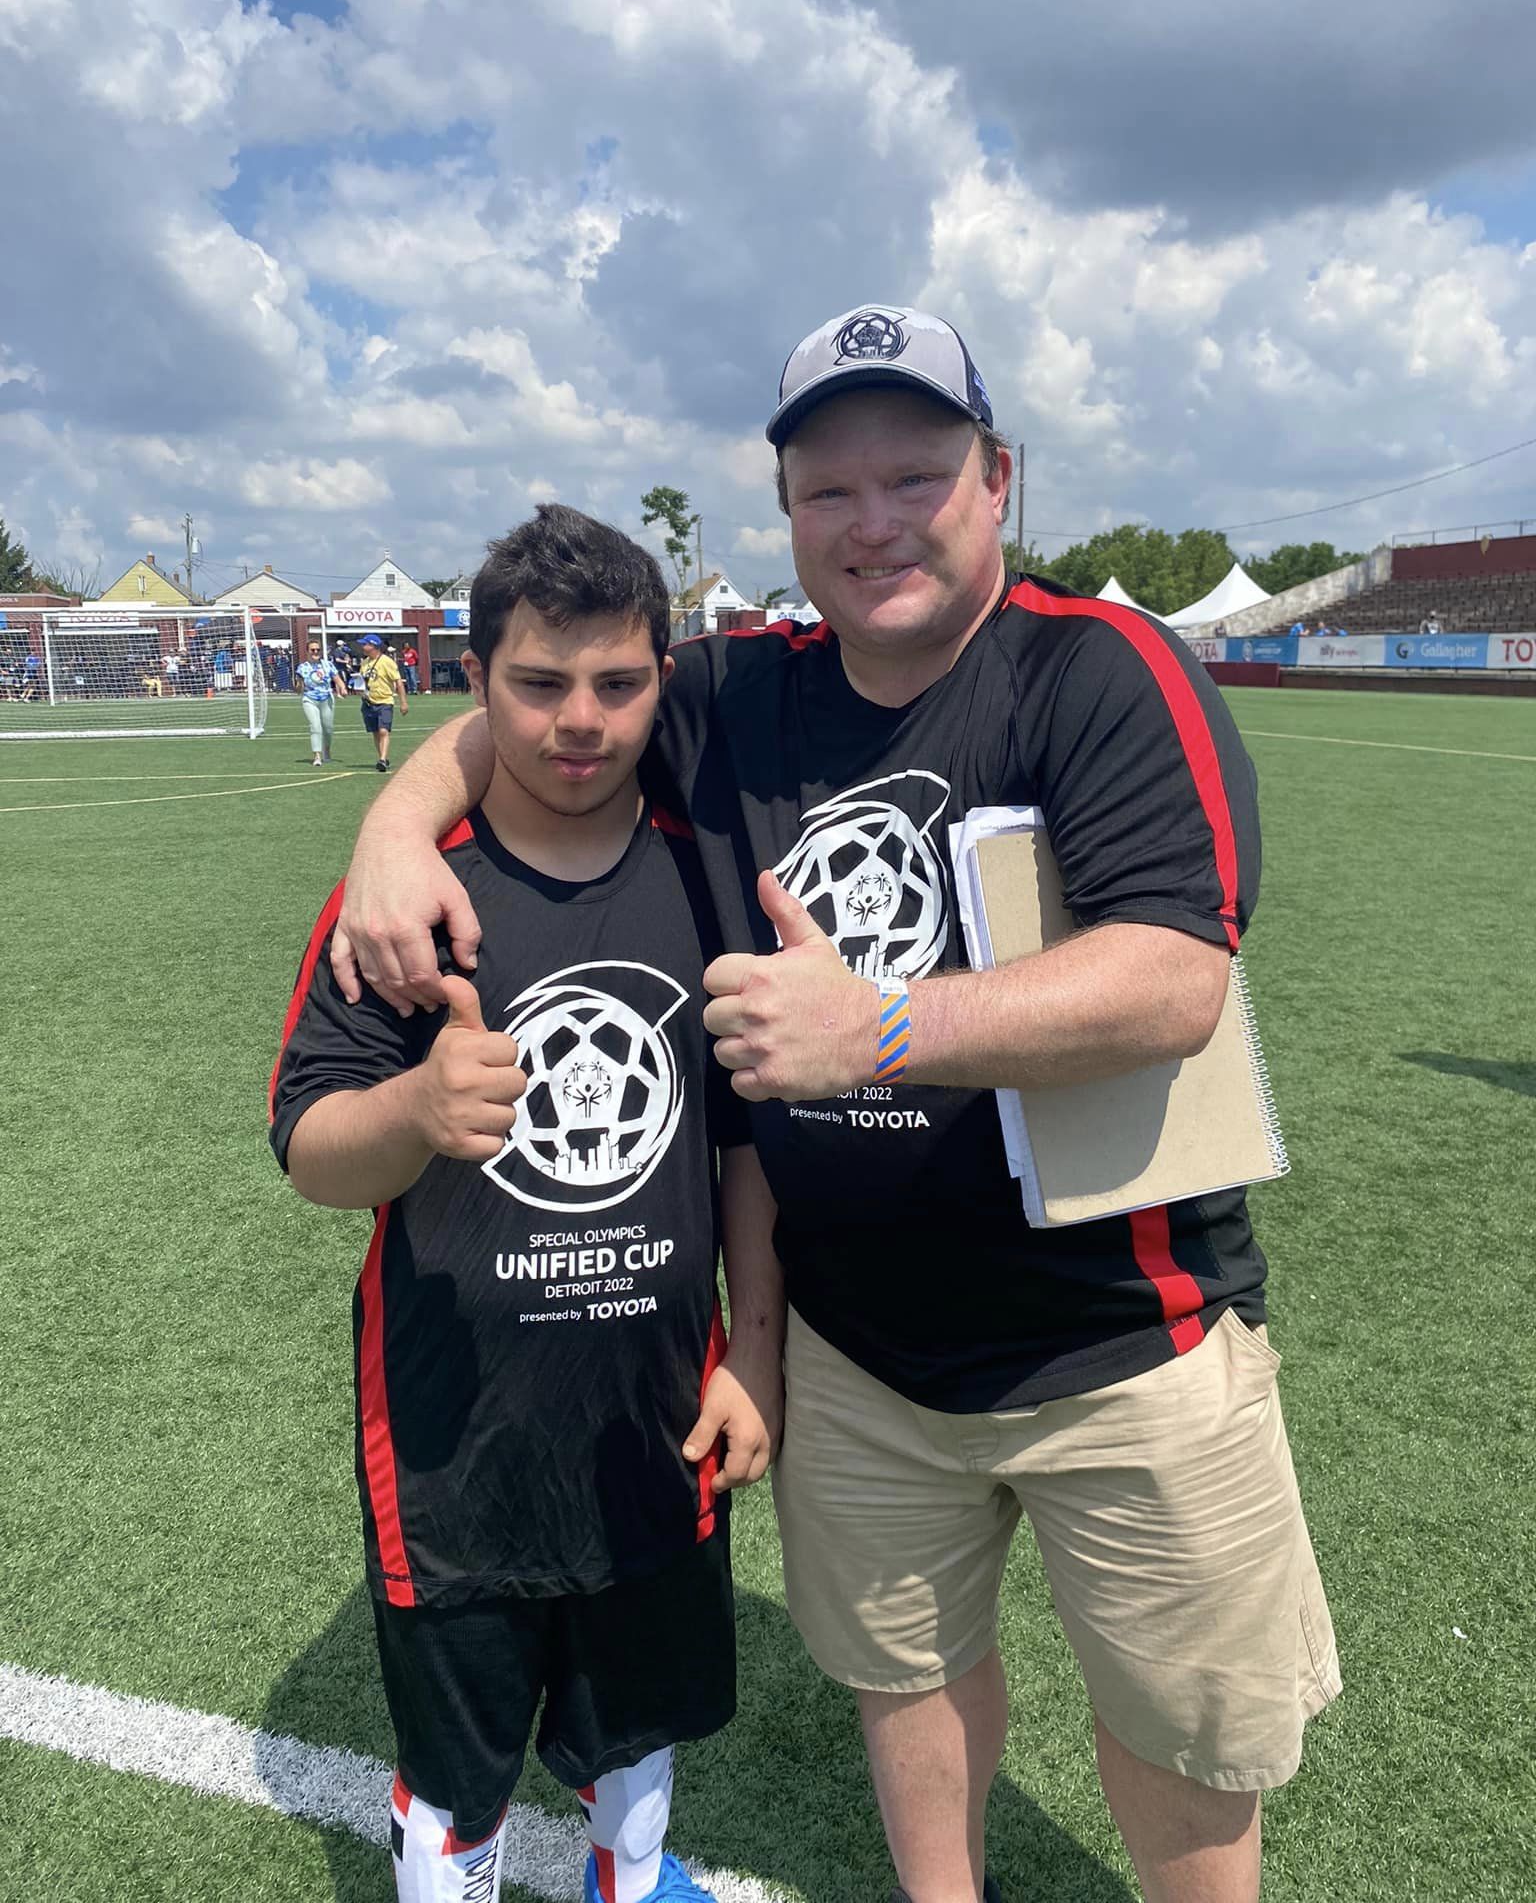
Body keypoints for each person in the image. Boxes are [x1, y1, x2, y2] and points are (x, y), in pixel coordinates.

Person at [330, 304, 1339, 1903]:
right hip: (862, 1352)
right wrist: (396, 826)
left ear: (996, 479)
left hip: (1120, 1337)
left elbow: (1174, 977)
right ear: (788, 512)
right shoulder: (742, 694)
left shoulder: (1096, 667)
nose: (875, 524)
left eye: (916, 477)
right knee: (910, 1680)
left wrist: (876, 1024)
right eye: (830, 492)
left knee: (1185, 1730)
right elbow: (534, 710)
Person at [270, 508, 784, 1903]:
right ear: (476, 686)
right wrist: (416, 1114)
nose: (581, 720)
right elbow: (313, 1149)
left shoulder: (705, 876)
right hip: (457, 1447)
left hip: (657, 1418)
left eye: (618, 684)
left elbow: (743, 1148)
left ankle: (634, 1880)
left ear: (662, 680)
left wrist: (756, 1354)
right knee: (459, 1774)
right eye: (540, 684)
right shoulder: (403, 908)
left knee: (639, 1739)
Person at [359, 633, 410, 771]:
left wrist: (403, 702)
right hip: (368, 702)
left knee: (383, 730)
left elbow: (398, 682)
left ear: (373, 646)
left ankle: (382, 759)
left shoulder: (387, 662)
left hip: (385, 701)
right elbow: (363, 681)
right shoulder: (364, 662)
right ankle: (382, 757)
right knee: (375, 731)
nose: (363, 647)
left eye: (365, 644)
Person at [295, 639, 347, 766]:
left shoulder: (327, 665)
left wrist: (343, 688)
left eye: (318, 650)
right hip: (310, 699)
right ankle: (317, 755)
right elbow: (298, 690)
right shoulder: (302, 668)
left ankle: (327, 750)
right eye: (313, 650)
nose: (316, 652)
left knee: (328, 728)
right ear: (307, 651)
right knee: (315, 727)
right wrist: (299, 684)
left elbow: (337, 678)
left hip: (326, 698)